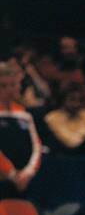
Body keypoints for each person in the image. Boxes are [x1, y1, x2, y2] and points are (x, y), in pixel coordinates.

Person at [0, 61, 41, 199]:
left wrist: (28, 172)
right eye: (3, 86)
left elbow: (36, 146)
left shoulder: (24, 114)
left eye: (13, 84)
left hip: (24, 179)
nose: (9, 90)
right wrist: (11, 174)